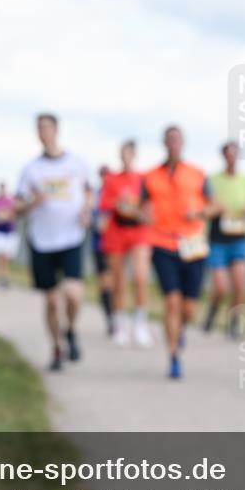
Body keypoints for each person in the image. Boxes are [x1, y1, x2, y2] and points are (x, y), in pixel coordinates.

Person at [16, 113, 93, 372]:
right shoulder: (31, 169)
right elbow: (17, 206)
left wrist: (86, 212)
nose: (43, 132)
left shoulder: (76, 163)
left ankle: (71, 329)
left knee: (73, 294)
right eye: (39, 128)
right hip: (42, 240)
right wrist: (30, 203)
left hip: (71, 237)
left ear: (57, 130)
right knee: (50, 300)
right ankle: (57, 347)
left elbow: (89, 193)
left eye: (47, 127)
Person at [141, 125, 220, 379]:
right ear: (164, 143)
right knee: (171, 302)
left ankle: (180, 331)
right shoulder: (150, 176)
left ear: (183, 143)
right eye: (169, 139)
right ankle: (173, 355)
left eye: (177, 139)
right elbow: (141, 208)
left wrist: (199, 213)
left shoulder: (197, 174)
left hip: (193, 245)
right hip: (163, 243)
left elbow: (216, 206)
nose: (173, 143)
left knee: (189, 309)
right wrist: (141, 214)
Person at [203, 141, 245, 339]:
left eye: (235, 154)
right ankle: (212, 310)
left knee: (240, 285)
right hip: (218, 238)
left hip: (239, 237)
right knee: (220, 286)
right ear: (223, 156)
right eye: (228, 154)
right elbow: (205, 206)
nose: (232, 158)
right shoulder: (212, 180)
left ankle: (234, 323)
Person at [99, 140, 153, 347]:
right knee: (118, 282)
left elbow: (149, 206)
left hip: (138, 232)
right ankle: (119, 324)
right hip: (116, 233)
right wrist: (122, 205)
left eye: (128, 154)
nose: (125, 158)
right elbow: (107, 204)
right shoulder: (112, 179)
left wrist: (138, 211)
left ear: (134, 155)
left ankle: (140, 323)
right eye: (122, 154)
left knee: (140, 276)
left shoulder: (143, 179)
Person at [90, 166, 116, 337]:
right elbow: (94, 220)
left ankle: (116, 316)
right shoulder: (95, 197)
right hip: (100, 246)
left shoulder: (117, 195)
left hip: (116, 246)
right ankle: (110, 318)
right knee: (105, 283)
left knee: (114, 283)